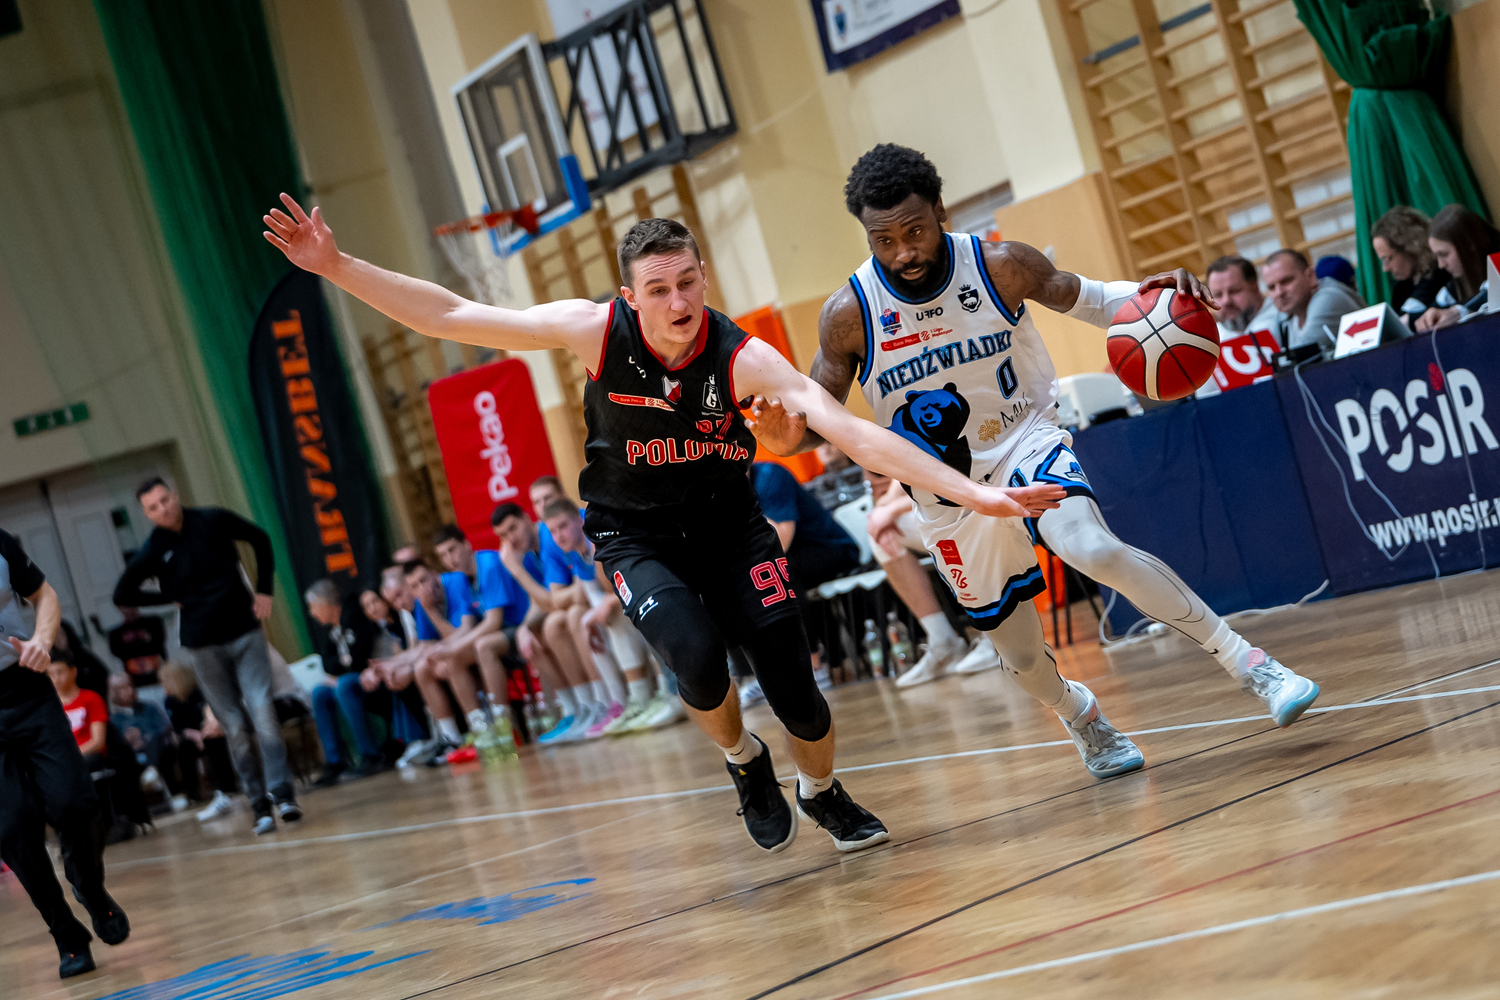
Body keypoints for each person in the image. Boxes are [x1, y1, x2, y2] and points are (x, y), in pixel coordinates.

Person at [263, 193, 1059, 854]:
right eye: (659, 289)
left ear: (703, 277)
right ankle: (743, 760)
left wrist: (975, 492)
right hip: (635, 537)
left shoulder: (742, 357)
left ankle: (820, 790)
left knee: (799, 695)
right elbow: (450, 313)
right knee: (698, 657)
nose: (678, 303)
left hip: (732, 530)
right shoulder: (593, 331)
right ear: (629, 296)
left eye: (688, 283)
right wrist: (335, 266)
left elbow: (851, 431)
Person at [746, 144, 1321, 780]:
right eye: (884, 241)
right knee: (1020, 657)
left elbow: (1092, 299)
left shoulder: (999, 265)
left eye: (914, 232)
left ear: (940, 210)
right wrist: (782, 437)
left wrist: (1159, 298)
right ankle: (1079, 713)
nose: (903, 252)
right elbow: (816, 421)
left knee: (1092, 548)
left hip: (1024, 440)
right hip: (945, 490)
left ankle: (1252, 664)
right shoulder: (849, 314)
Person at [113, 478, 300, 836]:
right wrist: (168, 598)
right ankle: (259, 805)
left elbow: (260, 538)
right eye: (153, 507)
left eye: (165, 500)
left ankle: (283, 794)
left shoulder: (212, 520)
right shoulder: (153, 549)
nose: (163, 509)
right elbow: (122, 593)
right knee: (234, 726)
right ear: (146, 514)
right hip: (202, 645)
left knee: (262, 711)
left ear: (175, 495)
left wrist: (264, 590)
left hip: (244, 632)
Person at [0, 528, 129, 979]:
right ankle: (67, 936)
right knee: (13, 830)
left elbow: (45, 595)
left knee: (76, 803)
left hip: (27, 691)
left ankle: (88, 886)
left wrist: (42, 639)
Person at [540, 497, 661, 739]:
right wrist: (592, 618)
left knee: (612, 615)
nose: (559, 536)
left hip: (651, 591)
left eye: (563, 526)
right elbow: (595, 597)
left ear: (579, 519)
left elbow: (631, 584)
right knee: (595, 621)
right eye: (553, 531)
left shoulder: (598, 537)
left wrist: (604, 607)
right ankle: (623, 702)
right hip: (629, 599)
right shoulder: (576, 552)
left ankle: (662, 692)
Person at [867, 470, 998, 687]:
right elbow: (887, 499)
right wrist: (887, 508)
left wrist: (891, 508)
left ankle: (996, 632)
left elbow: (956, 487)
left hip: (990, 499)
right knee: (880, 535)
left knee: (946, 519)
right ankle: (943, 642)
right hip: (948, 507)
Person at [304, 580, 385, 786]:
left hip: (371, 673)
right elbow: (328, 664)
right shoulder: (330, 630)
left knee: (344, 686)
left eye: (313, 606)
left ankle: (370, 754)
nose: (312, 613)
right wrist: (343, 664)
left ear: (325, 603)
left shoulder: (354, 617)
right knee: (319, 693)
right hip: (348, 677)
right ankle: (335, 762)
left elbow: (360, 658)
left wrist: (342, 668)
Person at [159, 661, 239, 820]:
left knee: (214, 740)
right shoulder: (170, 701)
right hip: (192, 737)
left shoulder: (200, 693)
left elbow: (209, 716)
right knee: (184, 748)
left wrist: (205, 732)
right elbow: (179, 727)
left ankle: (227, 789)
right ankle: (193, 794)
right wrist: (196, 735)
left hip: (210, 730)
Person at [1260, 248, 1365, 356]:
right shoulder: (1291, 318)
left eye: (1286, 281)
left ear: (1310, 276)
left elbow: (1300, 356)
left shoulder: (1328, 298)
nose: (1279, 292)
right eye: (1272, 287)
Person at [1416, 204, 1499, 331]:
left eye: (1444, 254)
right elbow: (1438, 307)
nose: (1441, 265)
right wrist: (1429, 317)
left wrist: (1461, 311)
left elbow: (1491, 295)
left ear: (1469, 244)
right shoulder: (1455, 284)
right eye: (1437, 256)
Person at [107, 673, 184, 810]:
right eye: (122, 688)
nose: (128, 691)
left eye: (129, 686)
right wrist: (128, 739)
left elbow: (163, 728)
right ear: (114, 693)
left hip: (157, 747)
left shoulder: (149, 708)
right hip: (133, 753)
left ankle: (156, 774)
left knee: (158, 744)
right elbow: (116, 742)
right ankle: (142, 797)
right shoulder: (114, 719)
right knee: (123, 760)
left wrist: (144, 737)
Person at [1371, 206, 1450, 324]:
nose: (1385, 268)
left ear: (1409, 248)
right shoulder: (1401, 287)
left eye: (1387, 259)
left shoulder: (1441, 271)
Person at [1206, 255, 1277, 339]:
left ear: (1255, 288)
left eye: (1234, 291)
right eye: (1218, 294)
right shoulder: (1213, 337)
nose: (1226, 301)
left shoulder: (1282, 318)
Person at [107, 608, 166, 692]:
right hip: (136, 682)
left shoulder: (153, 623)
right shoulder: (116, 633)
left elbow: (158, 643)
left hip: (160, 678)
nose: (128, 609)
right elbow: (117, 651)